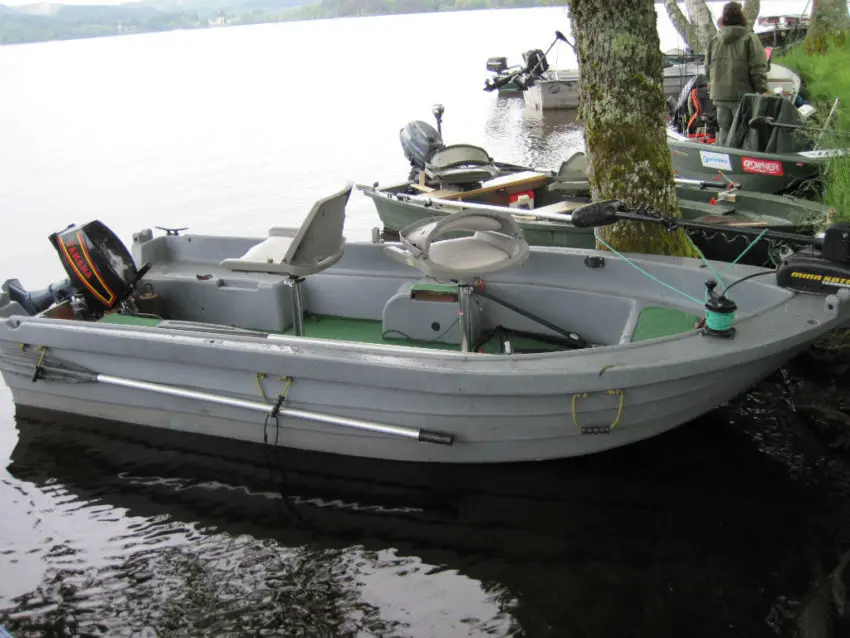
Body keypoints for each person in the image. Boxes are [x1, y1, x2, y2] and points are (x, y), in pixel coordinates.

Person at [705, 2, 769, 146]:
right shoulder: (750, 38)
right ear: (742, 17)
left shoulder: (715, 40)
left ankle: (723, 163)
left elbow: (706, 68)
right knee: (744, 132)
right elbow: (757, 68)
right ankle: (743, 164)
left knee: (724, 130)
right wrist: (762, 90)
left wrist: (712, 86)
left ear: (724, 18)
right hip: (742, 96)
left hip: (719, 95)